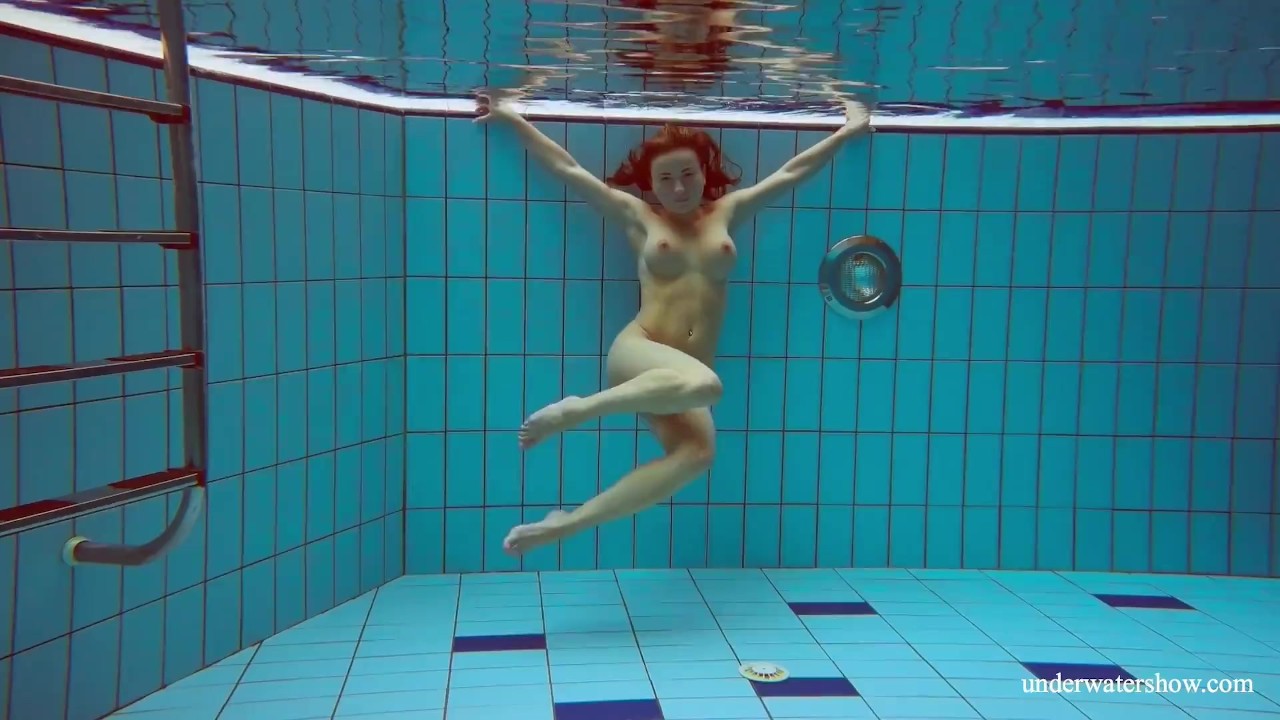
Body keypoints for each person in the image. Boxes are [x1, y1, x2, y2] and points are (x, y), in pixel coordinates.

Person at [474, 92, 873, 555]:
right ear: (650, 183)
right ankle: (576, 411)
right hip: (639, 352)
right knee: (708, 387)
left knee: (697, 455)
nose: (680, 189)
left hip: (679, 378)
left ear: (704, 173)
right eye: (666, 179)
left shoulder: (727, 212)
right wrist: (510, 117)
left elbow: (792, 173)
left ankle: (565, 525)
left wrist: (847, 130)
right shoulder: (639, 216)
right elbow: (567, 169)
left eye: (688, 174)